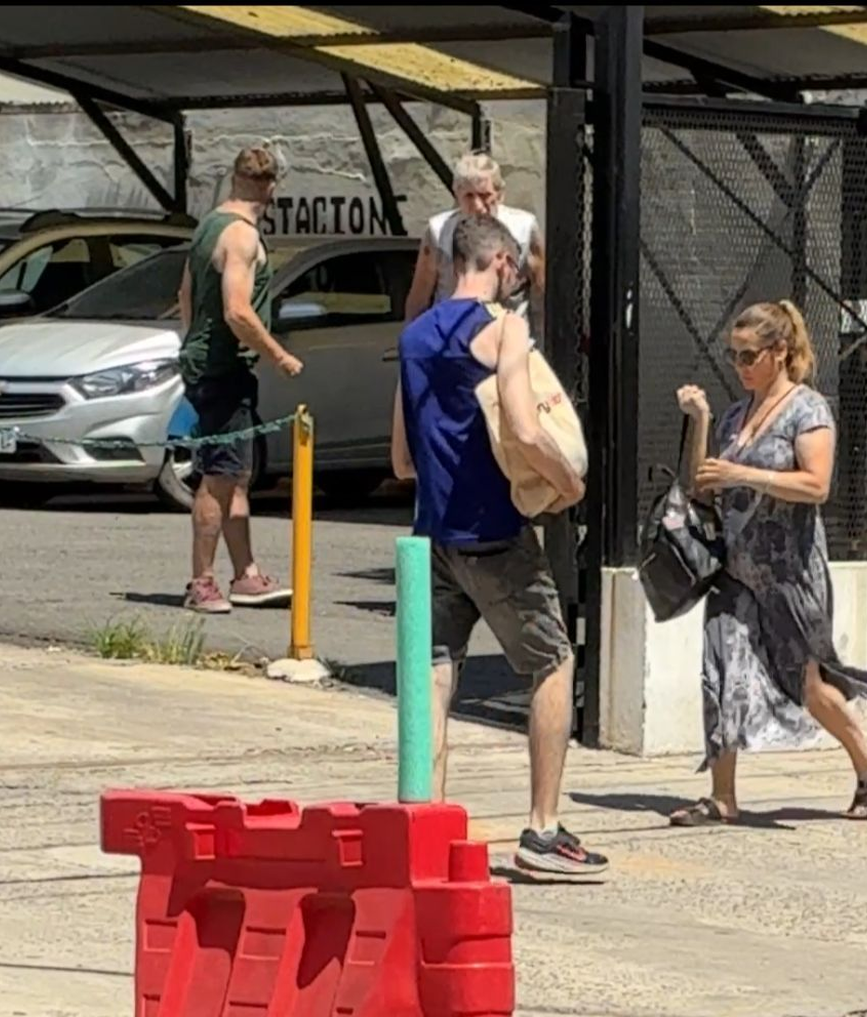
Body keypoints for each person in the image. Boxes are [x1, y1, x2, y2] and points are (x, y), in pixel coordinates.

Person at [390, 212, 607, 876]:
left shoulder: (413, 337)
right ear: (503, 265)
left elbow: (402, 458)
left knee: (432, 674)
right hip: (497, 531)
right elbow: (522, 421)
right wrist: (569, 482)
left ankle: (419, 824)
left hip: (433, 534)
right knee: (551, 661)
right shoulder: (505, 327)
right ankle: (542, 827)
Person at [669, 300, 867, 826]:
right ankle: (722, 796)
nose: (740, 366)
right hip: (736, 568)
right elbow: (704, 480)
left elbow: (816, 485)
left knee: (808, 685)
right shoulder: (734, 415)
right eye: (733, 356)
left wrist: (747, 477)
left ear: (780, 352)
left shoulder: (807, 409)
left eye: (749, 355)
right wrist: (701, 422)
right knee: (720, 672)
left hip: (790, 570)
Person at [177, 146, 303, 614]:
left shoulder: (209, 225)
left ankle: (246, 574)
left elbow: (184, 294)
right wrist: (279, 355)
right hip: (224, 368)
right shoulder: (242, 237)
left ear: (234, 179)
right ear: (272, 187)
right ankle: (202, 582)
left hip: (209, 363)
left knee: (235, 475)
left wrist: (191, 345)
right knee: (218, 476)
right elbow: (237, 310)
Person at [403, 152, 544, 338]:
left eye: (485, 195)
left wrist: (542, 346)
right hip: (452, 342)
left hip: (508, 341)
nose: (478, 205)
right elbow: (419, 297)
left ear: (500, 195)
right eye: (469, 196)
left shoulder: (524, 229)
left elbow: (541, 291)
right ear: (457, 196)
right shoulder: (438, 232)